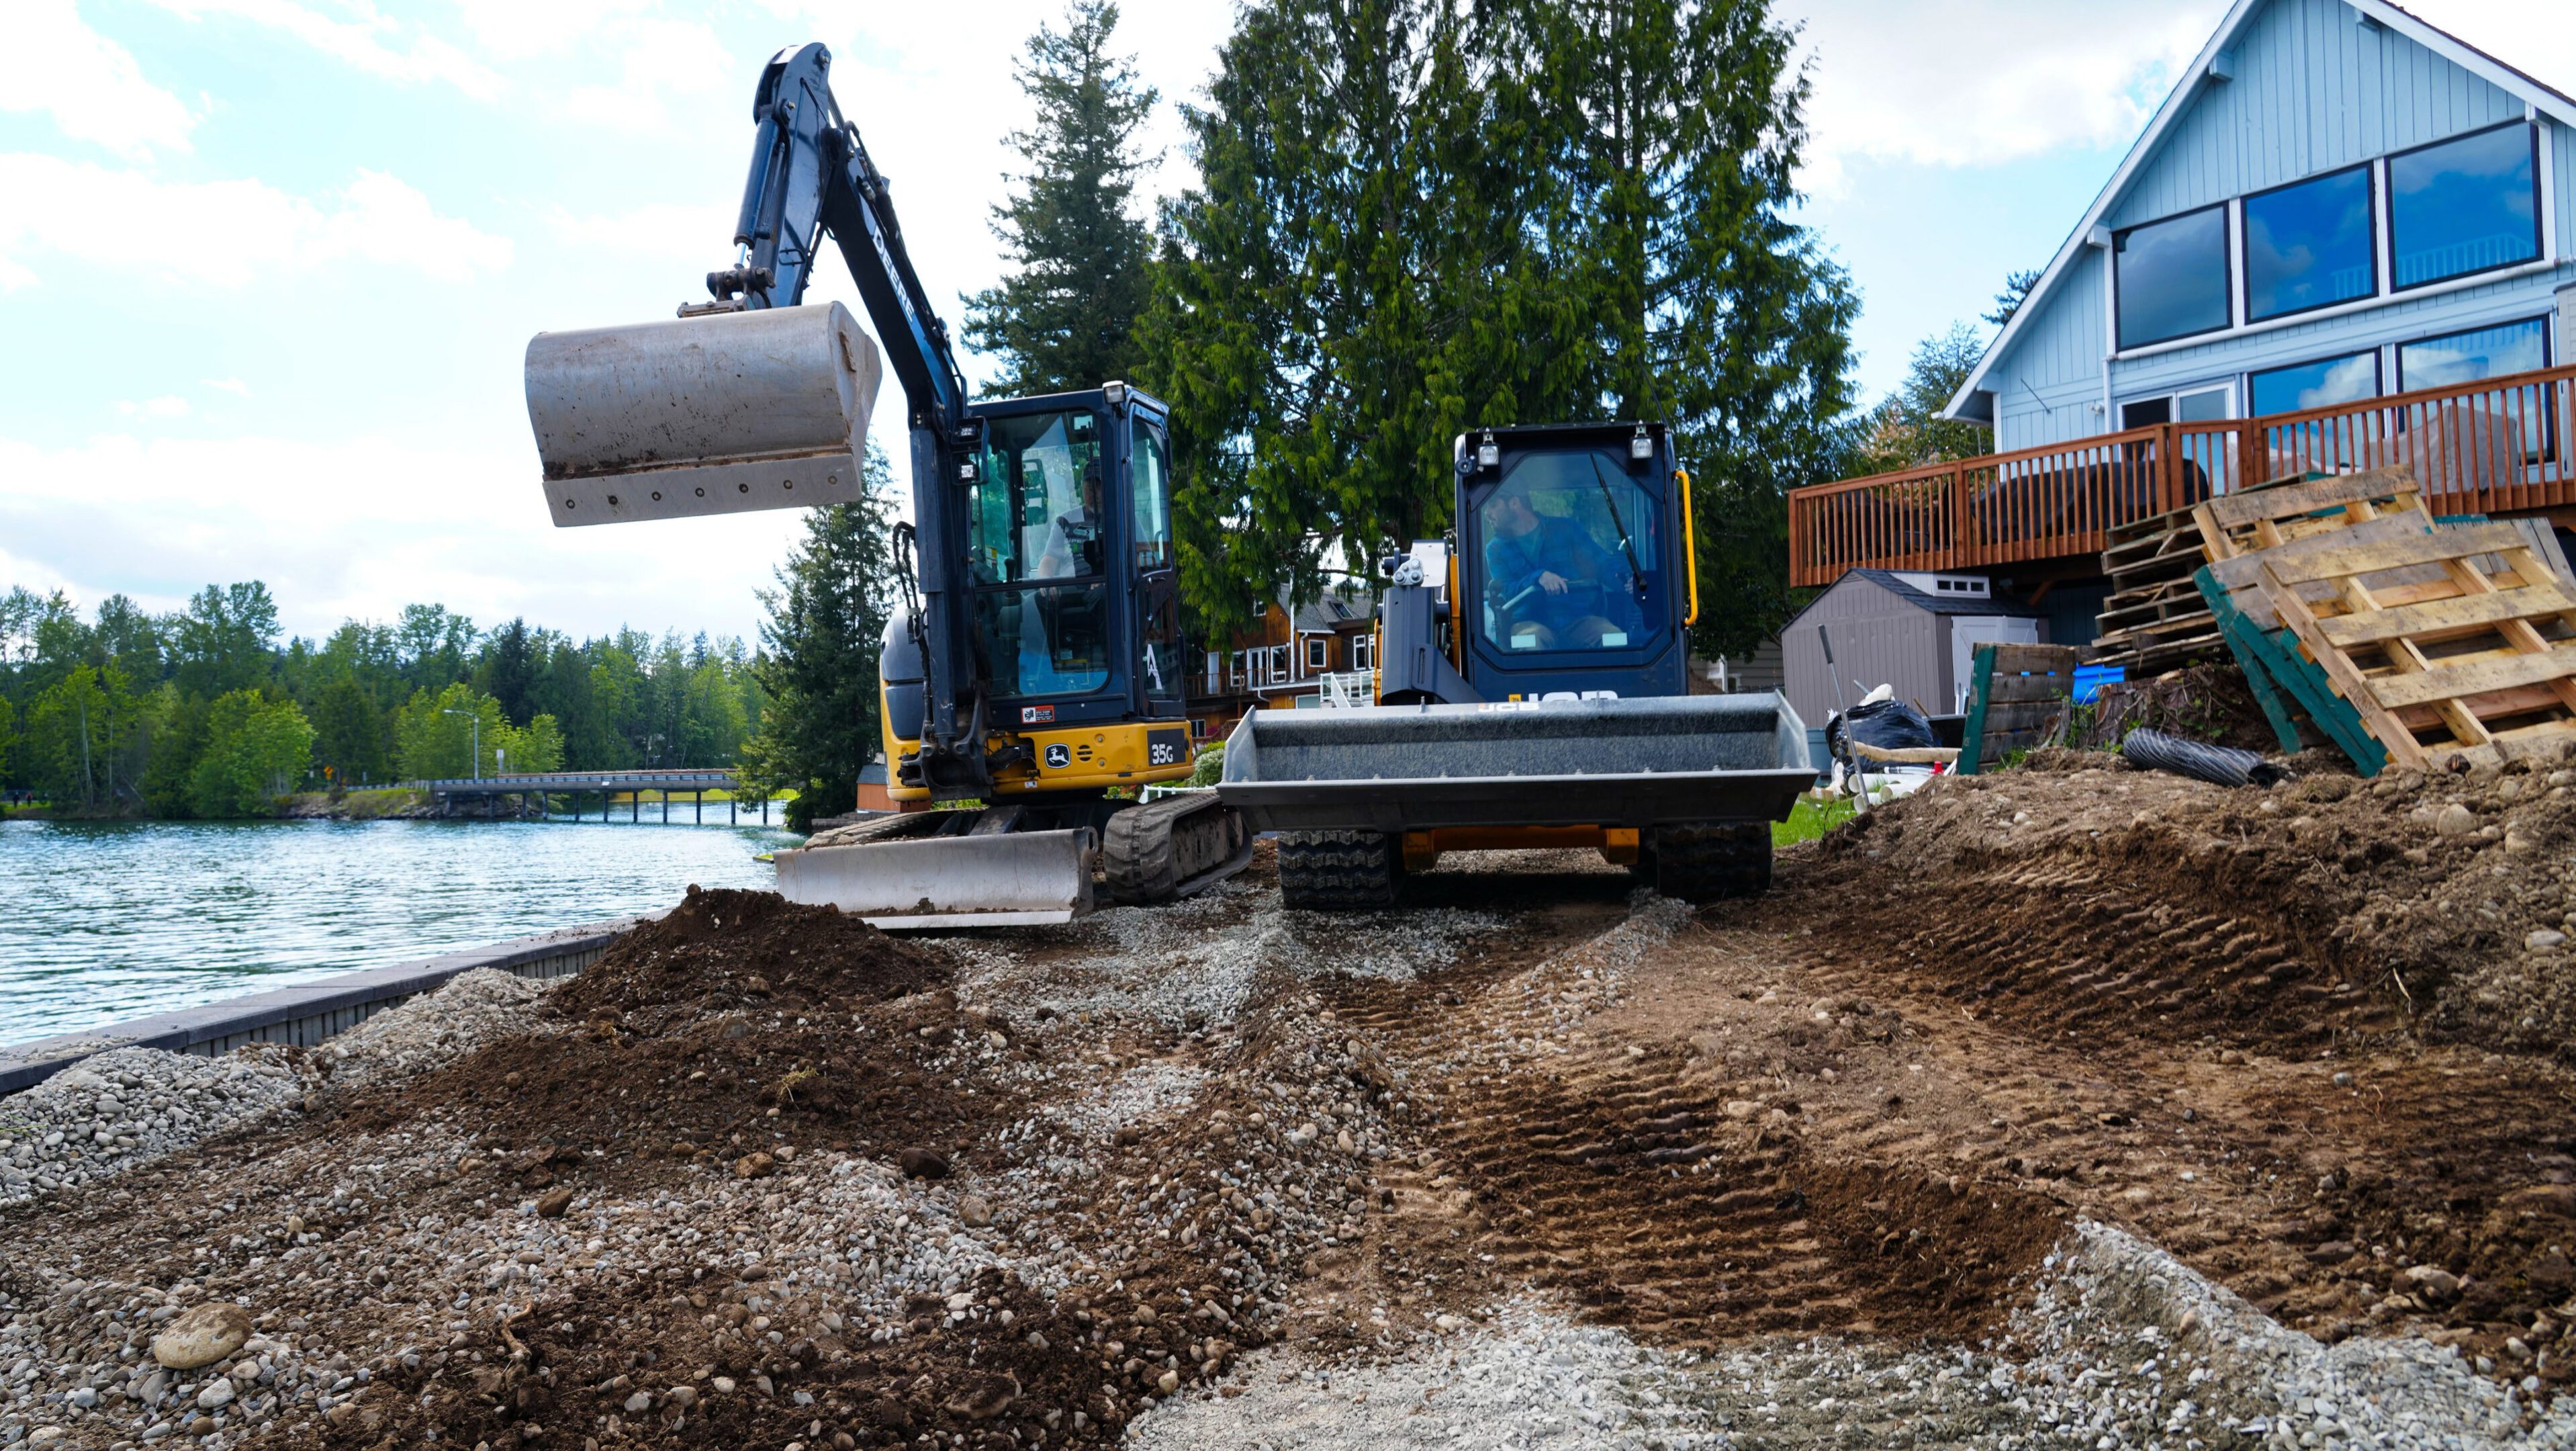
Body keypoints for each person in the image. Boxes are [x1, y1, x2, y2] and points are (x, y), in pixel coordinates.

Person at [1481, 490, 1634, 649]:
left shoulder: (1567, 529)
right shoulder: (1495, 549)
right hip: (1528, 623)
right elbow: (1507, 591)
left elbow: (1601, 563)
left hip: (1577, 618)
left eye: (1493, 505)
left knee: (1614, 638)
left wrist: (1626, 581)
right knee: (1529, 644)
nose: (1487, 512)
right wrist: (1538, 578)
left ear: (1514, 503)